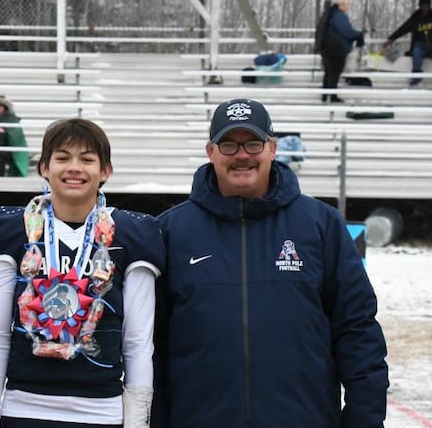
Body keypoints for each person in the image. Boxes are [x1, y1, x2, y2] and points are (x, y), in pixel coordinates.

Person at [151, 99, 389, 427]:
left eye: (252, 143)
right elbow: (152, 345)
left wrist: (364, 418)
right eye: (229, 144)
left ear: (272, 148)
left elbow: (357, 329)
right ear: (210, 152)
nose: (242, 155)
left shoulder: (321, 225)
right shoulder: (171, 231)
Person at [0, 118, 164, 428]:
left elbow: (138, 341)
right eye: (62, 158)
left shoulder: (133, 233)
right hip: (23, 408)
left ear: (105, 171)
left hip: (102, 411)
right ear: (44, 168)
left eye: (87, 159)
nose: (74, 167)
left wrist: (137, 422)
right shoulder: (11, 228)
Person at [318, 0, 364, 103]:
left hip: (327, 48)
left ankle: (326, 95)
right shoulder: (339, 15)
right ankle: (331, 96)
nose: (348, 6)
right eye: (347, 4)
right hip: (335, 49)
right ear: (341, 4)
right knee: (334, 72)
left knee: (329, 72)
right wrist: (358, 35)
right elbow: (346, 31)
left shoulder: (330, 14)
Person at [382, 0, 432, 86]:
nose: (426, 8)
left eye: (427, 6)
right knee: (416, 51)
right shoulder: (416, 17)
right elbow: (404, 28)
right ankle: (417, 76)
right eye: (424, 6)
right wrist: (391, 38)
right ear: (420, 6)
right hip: (420, 44)